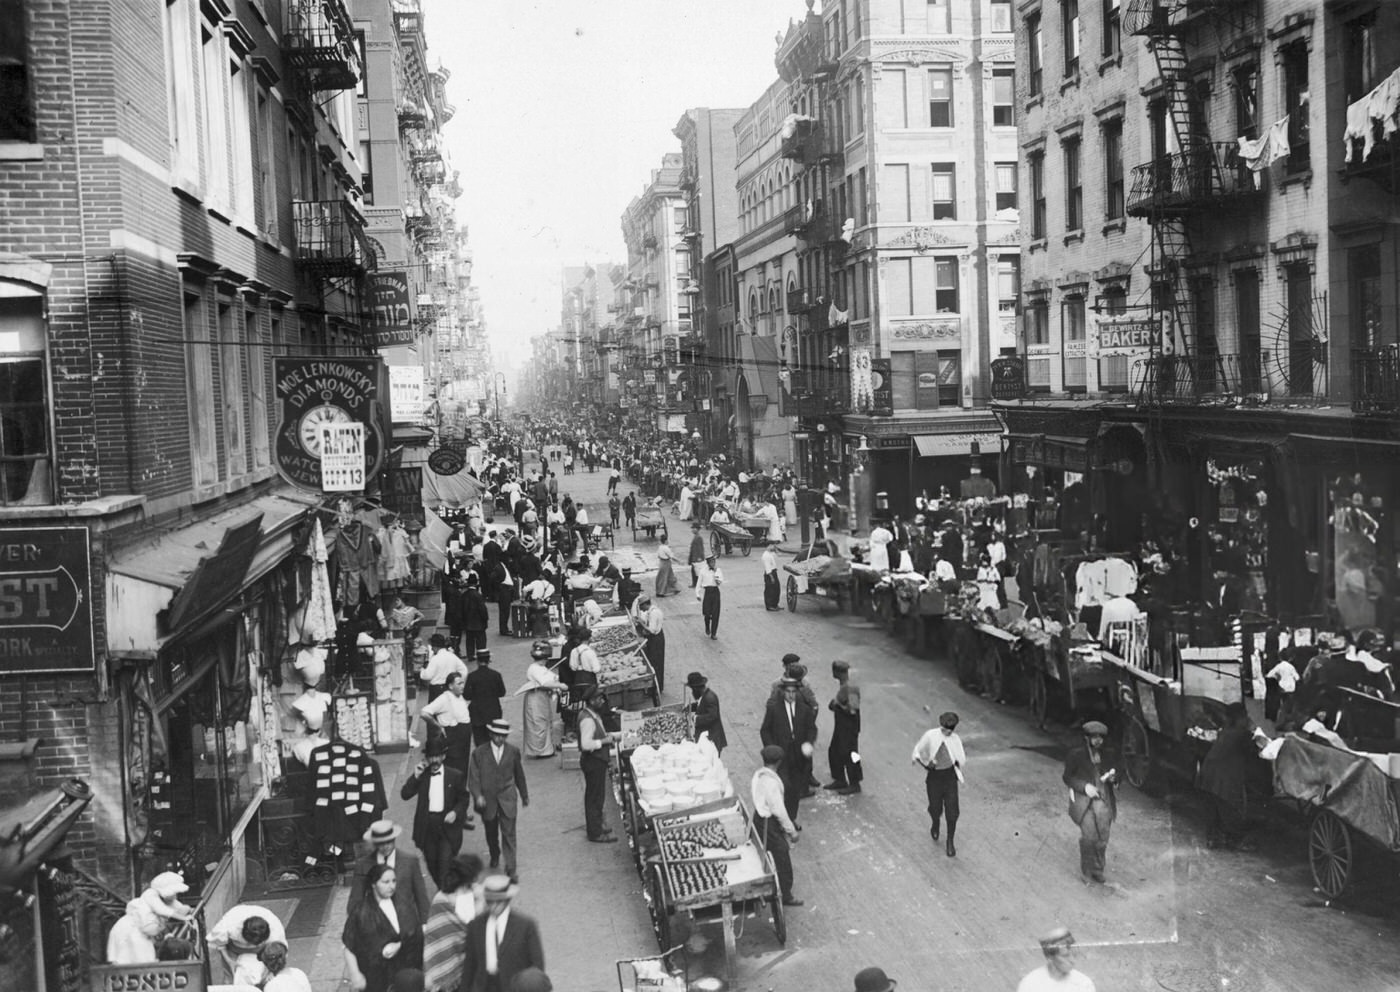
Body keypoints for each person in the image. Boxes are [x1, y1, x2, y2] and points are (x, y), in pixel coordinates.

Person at [400, 737, 474, 888]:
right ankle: (444, 889)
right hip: (427, 827)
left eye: (437, 757)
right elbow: (405, 794)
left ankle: (446, 895)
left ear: (443, 757)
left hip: (447, 828)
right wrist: (415, 776)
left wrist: (455, 812)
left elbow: (464, 799)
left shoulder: (455, 775)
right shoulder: (423, 776)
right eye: (431, 757)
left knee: (444, 866)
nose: (434, 760)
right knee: (432, 865)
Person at [342, 862, 425, 992]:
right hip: (375, 977)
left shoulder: (404, 906)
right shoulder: (361, 912)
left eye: (394, 881)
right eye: (386, 882)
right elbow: (349, 946)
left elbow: (417, 934)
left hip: (405, 973)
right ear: (374, 884)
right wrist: (355, 974)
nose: (391, 886)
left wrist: (399, 946)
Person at [458, 876, 546, 992]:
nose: (493, 906)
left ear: (507, 900)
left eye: (498, 901)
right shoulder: (476, 925)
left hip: (513, 987)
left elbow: (537, 965)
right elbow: (470, 963)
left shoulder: (526, 926)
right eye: (490, 901)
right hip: (483, 986)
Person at [467, 719, 529, 878]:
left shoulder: (513, 751)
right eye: (497, 735)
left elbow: (519, 774)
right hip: (487, 800)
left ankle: (511, 868)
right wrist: (478, 795)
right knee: (491, 831)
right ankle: (494, 853)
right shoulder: (479, 753)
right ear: (491, 734)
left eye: (503, 736)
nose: (500, 739)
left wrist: (524, 795)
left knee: (509, 834)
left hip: (508, 798)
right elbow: (473, 778)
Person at [1199, 702, 1262, 850]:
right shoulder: (1242, 734)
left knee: (1214, 807)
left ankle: (1213, 839)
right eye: (1245, 716)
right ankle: (1235, 840)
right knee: (1231, 807)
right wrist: (1254, 731)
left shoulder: (1226, 730)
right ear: (1241, 717)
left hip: (1209, 772)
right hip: (1224, 777)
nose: (1248, 718)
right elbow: (1253, 751)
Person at [1063, 720, 1118, 884]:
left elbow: (1117, 774)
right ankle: (1086, 872)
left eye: (1101, 738)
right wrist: (1085, 787)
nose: (1098, 741)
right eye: (1094, 737)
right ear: (1086, 738)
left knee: (1103, 837)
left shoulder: (1108, 753)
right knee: (1089, 837)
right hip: (1084, 801)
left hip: (1103, 801)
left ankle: (1098, 870)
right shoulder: (1076, 755)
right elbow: (1067, 777)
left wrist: (1114, 779)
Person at [760, 676, 818, 823]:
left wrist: (809, 743)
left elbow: (812, 729)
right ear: (783, 692)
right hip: (781, 757)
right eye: (788, 692)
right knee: (783, 787)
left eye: (794, 692)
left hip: (798, 757)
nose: (791, 695)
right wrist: (772, 749)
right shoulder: (774, 709)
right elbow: (765, 730)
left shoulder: (804, 709)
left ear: (797, 692)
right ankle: (780, 821)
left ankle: (790, 820)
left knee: (795, 790)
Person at [424, 854, 485, 992]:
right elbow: (439, 936)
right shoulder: (443, 900)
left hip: (470, 965)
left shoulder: (474, 895)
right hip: (447, 966)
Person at [751, 744, 802, 907]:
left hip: (758, 818)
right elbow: (779, 811)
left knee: (761, 851)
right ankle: (785, 894)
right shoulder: (771, 782)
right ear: (779, 761)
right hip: (768, 822)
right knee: (782, 855)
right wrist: (792, 832)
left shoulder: (758, 775)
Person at [350, 820, 431, 922]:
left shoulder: (410, 861)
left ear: (394, 839)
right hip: (376, 925)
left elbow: (421, 896)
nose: (385, 846)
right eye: (380, 843)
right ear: (375, 843)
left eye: (388, 841)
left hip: (406, 925)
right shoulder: (363, 865)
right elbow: (356, 899)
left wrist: (425, 923)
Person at [912, 711, 965, 857]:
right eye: (944, 729)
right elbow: (918, 750)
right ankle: (935, 821)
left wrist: (956, 763)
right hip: (934, 777)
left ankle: (950, 841)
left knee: (952, 810)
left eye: (949, 731)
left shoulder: (955, 740)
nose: (946, 733)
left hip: (949, 777)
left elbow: (961, 757)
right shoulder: (931, 735)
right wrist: (924, 762)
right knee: (935, 807)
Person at [578, 688, 621, 842]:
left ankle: (597, 826)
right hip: (593, 761)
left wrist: (612, 736)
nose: (602, 701)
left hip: (597, 760)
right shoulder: (587, 720)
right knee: (594, 798)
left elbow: (600, 733)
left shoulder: (592, 714)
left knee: (598, 796)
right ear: (591, 701)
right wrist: (605, 741)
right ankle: (595, 833)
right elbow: (586, 744)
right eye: (599, 699)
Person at [206, 903, 287, 985]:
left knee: (266, 978)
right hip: (233, 948)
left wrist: (271, 971)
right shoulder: (229, 923)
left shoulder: (275, 930)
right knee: (231, 977)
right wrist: (229, 960)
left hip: (262, 949)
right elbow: (219, 943)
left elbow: (278, 956)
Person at [420, 671, 473, 774]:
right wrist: (438, 726)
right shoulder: (444, 699)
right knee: (454, 770)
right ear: (450, 686)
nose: (462, 686)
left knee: (464, 768)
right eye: (459, 684)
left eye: (463, 683)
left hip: (464, 740)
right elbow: (424, 713)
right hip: (453, 740)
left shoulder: (460, 696)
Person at [1015, 926, 1096, 992]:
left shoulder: (1084, 983)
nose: (1072, 961)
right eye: (1065, 956)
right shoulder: (1030, 984)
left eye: (1074, 955)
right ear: (1050, 957)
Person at [521, 644, 565, 758]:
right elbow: (545, 683)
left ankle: (547, 749)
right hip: (535, 698)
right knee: (537, 723)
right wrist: (559, 685)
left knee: (545, 722)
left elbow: (551, 677)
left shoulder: (541, 668)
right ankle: (539, 751)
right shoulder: (534, 668)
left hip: (542, 697)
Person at [826, 661, 863, 795]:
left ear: (837, 672)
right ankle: (840, 779)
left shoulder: (851, 688)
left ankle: (855, 783)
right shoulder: (844, 686)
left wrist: (837, 705)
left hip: (849, 728)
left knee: (851, 755)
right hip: (841, 726)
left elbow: (853, 710)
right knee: (834, 751)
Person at [466, 650, 507, 748]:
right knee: (494, 741)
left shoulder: (472, 676)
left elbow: (466, 695)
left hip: (477, 713)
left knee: (480, 741)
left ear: (477, 661)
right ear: (489, 660)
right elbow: (502, 692)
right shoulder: (496, 675)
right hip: (493, 711)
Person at [686, 671, 727, 755]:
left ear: (697, 688)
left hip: (712, 740)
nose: (692, 692)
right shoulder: (704, 696)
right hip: (708, 738)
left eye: (693, 690)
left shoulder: (710, 698)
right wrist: (690, 707)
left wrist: (695, 718)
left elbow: (712, 716)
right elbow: (700, 704)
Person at [422, 635, 468, 704]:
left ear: (435, 646)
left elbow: (427, 676)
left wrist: (422, 670)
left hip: (436, 690)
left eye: (432, 647)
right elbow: (464, 670)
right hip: (449, 688)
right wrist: (458, 682)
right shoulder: (452, 656)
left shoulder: (435, 659)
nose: (432, 649)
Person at [634, 595, 666, 693]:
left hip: (656, 640)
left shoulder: (654, 613)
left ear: (645, 604)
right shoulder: (651, 612)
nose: (641, 609)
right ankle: (654, 686)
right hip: (654, 638)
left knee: (656, 663)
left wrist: (641, 623)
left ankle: (657, 688)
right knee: (652, 662)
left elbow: (652, 630)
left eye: (641, 606)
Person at [695, 553, 724, 639]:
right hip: (707, 592)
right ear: (708, 563)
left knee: (716, 613)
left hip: (715, 592)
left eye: (714, 562)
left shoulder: (718, 570)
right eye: (711, 562)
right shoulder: (703, 571)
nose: (713, 563)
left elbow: (719, 582)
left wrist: (715, 573)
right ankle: (707, 626)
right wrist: (697, 594)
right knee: (706, 613)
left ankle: (713, 633)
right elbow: (699, 583)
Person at [762, 544, 781, 611]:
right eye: (773, 546)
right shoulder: (766, 555)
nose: (774, 547)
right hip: (770, 573)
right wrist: (771, 577)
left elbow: (778, 555)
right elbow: (768, 568)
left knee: (776, 589)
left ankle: (775, 604)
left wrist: (776, 550)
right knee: (770, 590)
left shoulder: (770, 553)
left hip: (774, 572)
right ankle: (770, 606)